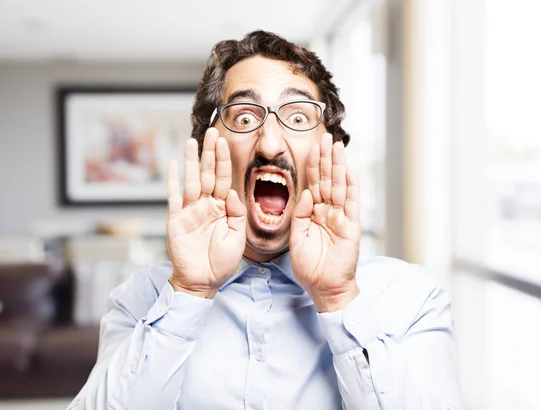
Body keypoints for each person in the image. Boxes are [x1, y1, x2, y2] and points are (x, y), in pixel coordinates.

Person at [67, 30, 463, 410]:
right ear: (209, 147)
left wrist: (338, 299)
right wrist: (189, 292)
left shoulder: (412, 298)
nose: (271, 144)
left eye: (298, 116)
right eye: (243, 118)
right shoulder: (141, 299)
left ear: (331, 147)